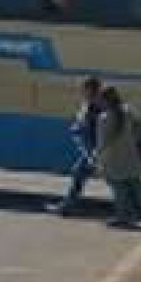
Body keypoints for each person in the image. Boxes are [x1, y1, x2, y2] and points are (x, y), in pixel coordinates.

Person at [95, 86, 141, 229]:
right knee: (138, 187)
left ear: (104, 100)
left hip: (114, 158)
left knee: (119, 189)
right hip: (132, 155)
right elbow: (138, 132)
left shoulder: (104, 118)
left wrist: (98, 159)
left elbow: (102, 143)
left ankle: (123, 216)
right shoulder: (128, 111)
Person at [46, 76, 102, 215]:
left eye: (84, 88)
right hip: (90, 147)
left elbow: (92, 126)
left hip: (94, 147)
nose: (81, 90)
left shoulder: (95, 105)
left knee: (117, 180)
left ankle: (131, 210)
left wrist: (80, 130)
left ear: (90, 89)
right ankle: (68, 205)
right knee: (79, 173)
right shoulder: (90, 103)